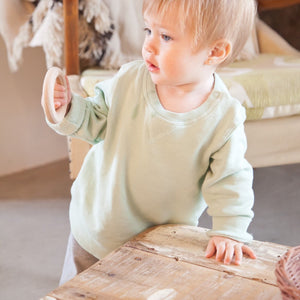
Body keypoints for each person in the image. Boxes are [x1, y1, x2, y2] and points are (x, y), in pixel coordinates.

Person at [43, 0, 257, 285]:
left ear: (215, 52)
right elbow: (95, 119)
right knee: (78, 291)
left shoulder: (224, 118)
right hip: (94, 232)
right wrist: (69, 108)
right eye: (148, 31)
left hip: (159, 246)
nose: (149, 46)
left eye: (166, 36)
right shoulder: (130, 79)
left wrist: (229, 230)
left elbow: (231, 180)